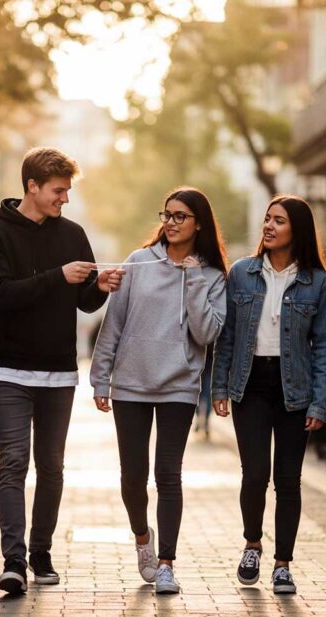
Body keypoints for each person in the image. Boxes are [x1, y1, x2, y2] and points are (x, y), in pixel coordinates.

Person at [0, 147, 124, 595]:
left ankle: (41, 553)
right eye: (58, 191)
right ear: (32, 187)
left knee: (52, 468)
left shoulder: (73, 234)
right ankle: (14, 561)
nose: (64, 199)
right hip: (9, 371)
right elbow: (2, 295)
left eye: (67, 191)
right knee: (13, 464)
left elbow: (84, 303)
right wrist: (58, 276)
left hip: (58, 373)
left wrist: (99, 287)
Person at [91, 187, 227, 594]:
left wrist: (194, 279)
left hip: (178, 387)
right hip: (131, 384)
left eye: (180, 216)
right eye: (166, 214)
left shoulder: (212, 275)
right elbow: (113, 323)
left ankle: (166, 563)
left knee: (168, 475)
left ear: (198, 223)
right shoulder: (138, 263)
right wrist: (101, 377)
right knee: (133, 477)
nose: (170, 222)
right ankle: (142, 539)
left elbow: (207, 333)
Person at [212, 195, 326, 595]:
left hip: (294, 389)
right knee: (254, 474)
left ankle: (283, 564)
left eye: (278, 221)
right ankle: (252, 544)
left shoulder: (318, 282)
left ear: (295, 230)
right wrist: (219, 387)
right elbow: (227, 338)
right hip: (251, 384)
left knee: (288, 479)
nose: (268, 226)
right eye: (267, 219)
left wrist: (320, 402)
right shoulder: (242, 273)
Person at [196, 347, 215, 438]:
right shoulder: (212, 337)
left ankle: (201, 421)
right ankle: (205, 422)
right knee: (206, 397)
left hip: (202, 371)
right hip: (208, 371)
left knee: (200, 397)